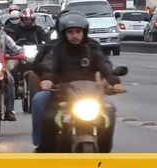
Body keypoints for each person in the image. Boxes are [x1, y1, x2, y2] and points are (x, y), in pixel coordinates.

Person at [32, 11, 125, 153]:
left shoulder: (92, 47)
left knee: (110, 109)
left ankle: (104, 150)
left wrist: (114, 81)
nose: (75, 35)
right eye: (70, 32)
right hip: (61, 96)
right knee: (47, 114)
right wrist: (47, 80)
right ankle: (44, 151)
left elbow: (104, 65)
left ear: (84, 32)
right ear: (64, 33)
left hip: (90, 96)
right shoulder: (56, 48)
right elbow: (49, 65)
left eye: (78, 31)